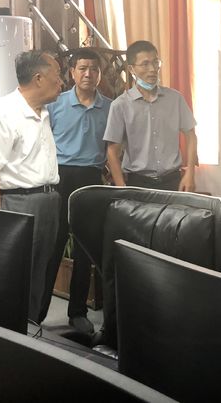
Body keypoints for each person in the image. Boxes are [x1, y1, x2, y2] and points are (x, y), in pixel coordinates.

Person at [0, 50, 63, 322]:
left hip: (48, 202)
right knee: (15, 274)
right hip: (19, 203)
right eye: (58, 75)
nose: (61, 82)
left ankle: (31, 328)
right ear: (39, 78)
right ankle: (9, 333)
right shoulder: (1, 113)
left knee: (39, 274)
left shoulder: (43, 112)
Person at [38, 48, 111, 332]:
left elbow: (114, 148)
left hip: (92, 180)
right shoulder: (56, 104)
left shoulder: (110, 107)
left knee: (83, 251)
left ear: (100, 73)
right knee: (53, 245)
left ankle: (77, 312)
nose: (88, 74)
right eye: (82, 68)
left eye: (94, 69)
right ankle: (37, 311)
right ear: (72, 73)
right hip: (61, 177)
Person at [103, 40, 197, 192]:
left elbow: (191, 136)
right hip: (138, 182)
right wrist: (122, 188)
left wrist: (190, 173)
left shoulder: (175, 99)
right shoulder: (120, 105)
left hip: (172, 180)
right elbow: (112, 151)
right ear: (131, 69)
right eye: (145, 64)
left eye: (155, 62)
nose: (152, 69)